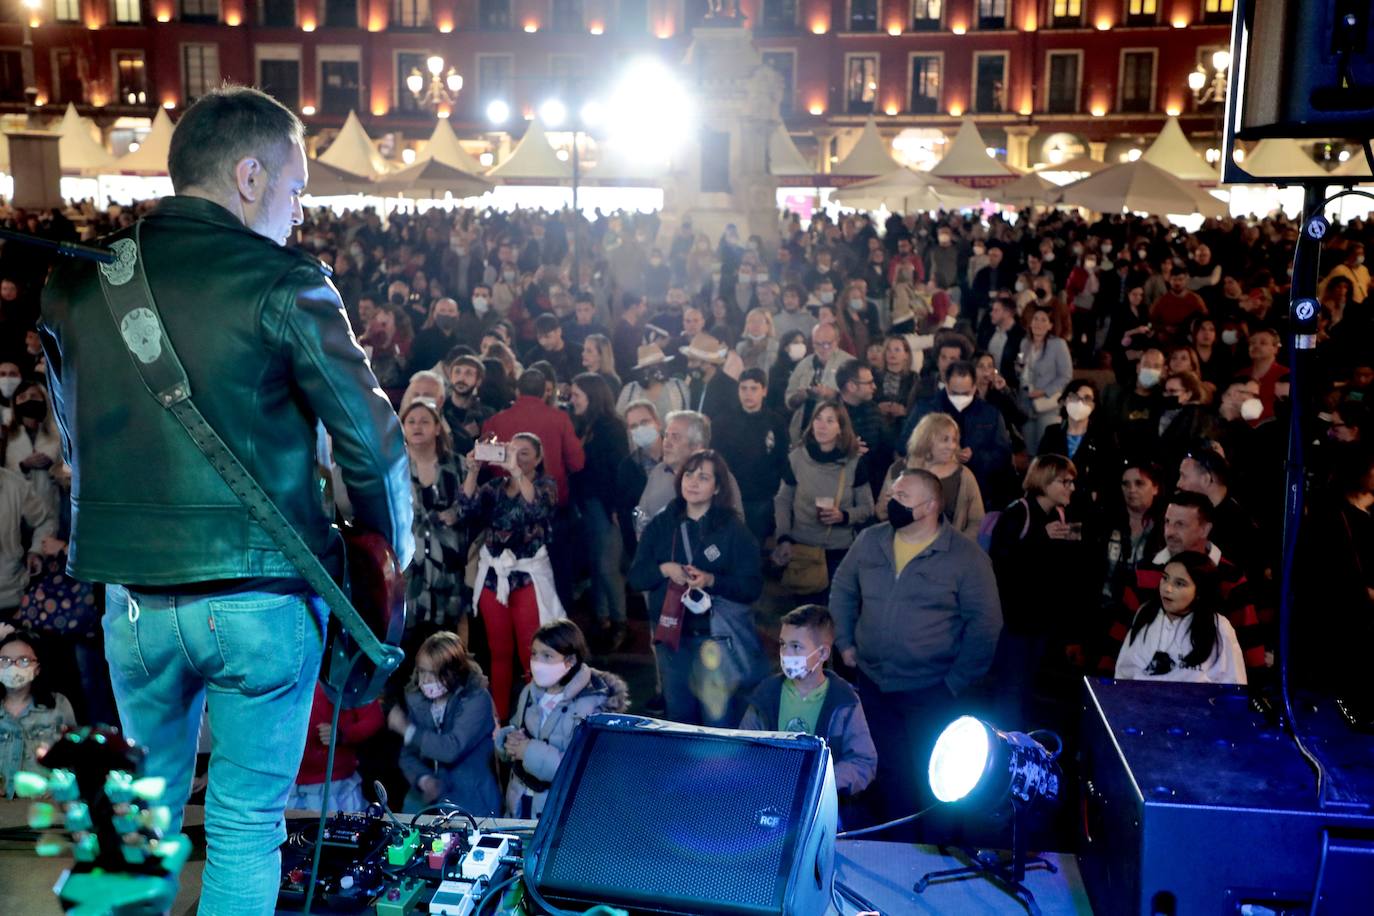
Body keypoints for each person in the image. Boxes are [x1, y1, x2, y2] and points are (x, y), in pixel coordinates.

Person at [40, 86, 414, 915]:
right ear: (250, 175)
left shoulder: (77, 283)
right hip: (260, 601)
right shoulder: (284, 280)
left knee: (141, 818)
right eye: (296, 188)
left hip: (132, 602)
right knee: (246, 826)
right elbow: (375, 443)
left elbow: (74, 445)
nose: (298, 211)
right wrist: (387, 565)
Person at [830, 468, 1001, 828]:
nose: (893, 502)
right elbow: (843, 590)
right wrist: (844, 643)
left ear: (929, 506)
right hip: (874, 684)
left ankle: (931, 847)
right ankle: (886, 843)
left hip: (932, 689)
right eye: (892, 494)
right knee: (883, 772)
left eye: (902, 497)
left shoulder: (965, 558)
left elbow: (985, 625)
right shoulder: (870, 541)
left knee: (930, 778)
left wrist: (955, 682)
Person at [628, 450, 764, 727]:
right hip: (672, 639)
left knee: (719, 722)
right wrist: (665, 570)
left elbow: (752, 587)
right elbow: (637, 577)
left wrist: (712, 581)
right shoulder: (662, 524)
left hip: (715, 640)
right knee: (679, 720)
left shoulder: (732, 529)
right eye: (689, 474)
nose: (692, 482)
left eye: (703, 477)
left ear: (717, 487)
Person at [459, 432, 562, 721]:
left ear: (538, 459)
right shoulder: (494, 487)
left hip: (527, 577)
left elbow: (537, 508)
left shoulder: (545, 485)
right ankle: (498, 719)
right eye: (512, 451)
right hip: (495, 579)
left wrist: (517, 472)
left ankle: (536, 719)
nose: (517, 457)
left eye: (525, 453)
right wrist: (473, 471)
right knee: (499, 654)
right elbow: (467, 509)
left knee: (533, 654)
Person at [987, 454, 1094, 723]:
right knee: (1010, 688)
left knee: (1029, 688)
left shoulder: (1060, 514)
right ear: (1045, 481)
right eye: (1065, 481)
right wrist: (1040, 539)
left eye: (1073, 482)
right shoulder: (1018, 512)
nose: (1071, 487)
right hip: (1015, 622)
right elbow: (1001, 563)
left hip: (1042, 622)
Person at [739, 604, 877, 801]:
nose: (786, 654)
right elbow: (745, 748)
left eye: (796, 646)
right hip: (769, 799)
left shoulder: (844, 700)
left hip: (822, 805)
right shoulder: (767, 693)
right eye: (782, 644)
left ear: (822, 654)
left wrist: (821, 781)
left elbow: (864, 761)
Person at [497, 619, 629, 818]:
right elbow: (517, 728)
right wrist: (509, 740)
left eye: (547, 656)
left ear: (571, 661)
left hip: (561, 814)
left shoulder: (593, 704)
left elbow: (583, 768)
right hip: (521, 805)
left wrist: (528, 751)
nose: (537, 662)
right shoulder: (529, 692)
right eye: (534, 654)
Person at [390, 631, 501, 815]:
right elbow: (407, 755)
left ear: (454, 671)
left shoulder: (477, 699)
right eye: (422, 671)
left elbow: (451, 749)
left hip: (473, 805)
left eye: (433, 673)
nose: (425, 680)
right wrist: (424, 780)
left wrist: (407, 730)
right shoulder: (418, 701)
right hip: (428, 807)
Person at [773, 401, 875, 595]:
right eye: (818, 419)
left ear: (840, 428)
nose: (822, 426)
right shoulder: (797, 458)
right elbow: (783, 500)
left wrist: (843, 516)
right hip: (802, 547)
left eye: (830, 421)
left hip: (839, 550)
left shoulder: (854, 462)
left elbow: (867, 507)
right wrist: (783, 537)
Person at [1115, 552, 1246, 685]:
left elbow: (1234, 686)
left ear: (1199, 590)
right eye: (1165, 578)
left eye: (1179, 584)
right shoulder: (1146, 613)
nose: (1167, 588)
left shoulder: (1219, 626)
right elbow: (1124, 672)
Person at [569, 373, 630, 651]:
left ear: (592, 396)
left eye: (576, 395)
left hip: (606, 506)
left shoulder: (612, 427)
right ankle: (602, 618)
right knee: (595, 565)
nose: (572, 400)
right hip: (588, 504)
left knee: (607, 566)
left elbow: (618, 469)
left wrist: (617, 506)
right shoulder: (585, 425)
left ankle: (620, 622)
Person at [402, 398, 470, 642]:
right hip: (410, 562)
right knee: (409, 635)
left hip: (448, 562)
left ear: (438, 428)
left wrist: (455, 513)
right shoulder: (395, 467)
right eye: (410, 422)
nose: (417, 427)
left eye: (424, 421)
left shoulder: (457, 465)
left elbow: (471, 506)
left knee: (447, 635)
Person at [711, 368, 791, 545]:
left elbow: (782, 459)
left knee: (756, 548)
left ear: (764, 391)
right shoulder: (723, 422)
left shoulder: (776, 422)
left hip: (762, 498)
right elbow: (716, 460)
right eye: (743, 388)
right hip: (730, 497)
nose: (748, 394)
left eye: (753, 388)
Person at [879, 413, 984, 538]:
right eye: (945, 440)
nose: (952, 446)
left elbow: (977, 521)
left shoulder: (963, 475)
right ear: (926, 440)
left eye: (954, 440)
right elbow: (880, 514)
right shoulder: (897, 470)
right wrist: (888, 506)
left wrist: (958, 547)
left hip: (949, 552)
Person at [0, 631, 76, 799]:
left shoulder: (58, 705)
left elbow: (74, 757)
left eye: (23, 660)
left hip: (45, 806)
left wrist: (59, 784)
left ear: (37, 669)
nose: (13, 667)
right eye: (4, 661)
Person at [287, 683, 383, 814]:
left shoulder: (342, 671)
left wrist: (342, 735)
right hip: (283, 786)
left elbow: (373, 718)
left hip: (335, 789)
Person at [1017, 304, 1073, 454]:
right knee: (1030, 450)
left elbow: (1066, 376)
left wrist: (1043, 391)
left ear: (1050, 325)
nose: (1038, 323)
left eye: (1043, 320)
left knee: (1046, 450)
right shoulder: (1025, 343)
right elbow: (1022, 371)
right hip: (1027, 405)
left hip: (1048, 405)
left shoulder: (1058, 345)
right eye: (1035, 319)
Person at [443, 355, 494, 457]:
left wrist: (477, 438)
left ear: (478, 381)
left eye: (468, 373)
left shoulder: (486, 415)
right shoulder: (440, 410)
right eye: (457, 372)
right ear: (450, 377)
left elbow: (491, 454)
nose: (461, 378)